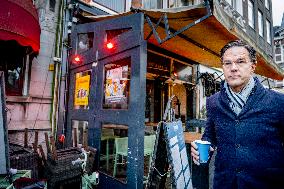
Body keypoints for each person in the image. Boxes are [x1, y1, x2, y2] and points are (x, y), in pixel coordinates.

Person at [191, 40, 284, 189]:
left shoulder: (278, 102)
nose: (233, 68)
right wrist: (203, 147)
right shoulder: (213, 102)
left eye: (240, 62)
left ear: (253, 66)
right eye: (227, 63)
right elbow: (210, 136)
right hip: (225, 183)